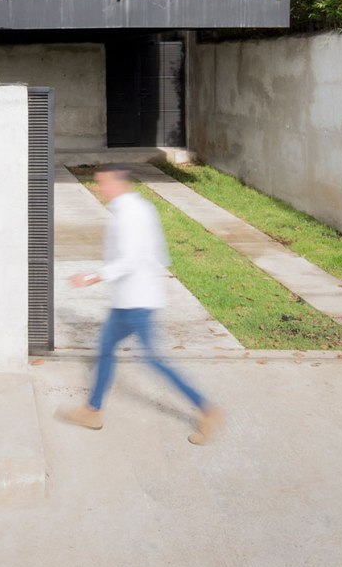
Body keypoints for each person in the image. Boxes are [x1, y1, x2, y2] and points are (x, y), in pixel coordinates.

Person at [62, 165, 223, 445]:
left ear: (117, 183)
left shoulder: (128, 216)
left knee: (153, 359)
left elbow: (130, 259)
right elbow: (159, 254)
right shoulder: (142, 208)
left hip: (136, 302)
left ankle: (207, 410)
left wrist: (91, 277)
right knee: (105, 349)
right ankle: (93, 409)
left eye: (103, 183)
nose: (99, 189)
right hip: (130, 299)